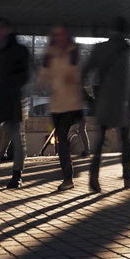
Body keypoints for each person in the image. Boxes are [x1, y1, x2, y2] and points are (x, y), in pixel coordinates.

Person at [82, 17, 130, 192]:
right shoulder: (126, 49)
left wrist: (90, 96)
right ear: (125, 31)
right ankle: (128, 178)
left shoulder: (100, 49)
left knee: (100, 141)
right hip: (121, 101)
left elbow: (84, 73)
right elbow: (127, 79)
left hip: (104, 100)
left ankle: (93, 178)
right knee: (125, 141)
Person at [0, 18, 30, 189]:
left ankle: (17, 175)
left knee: (17, 138)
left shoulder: (19, 51)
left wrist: (5, 81)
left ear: (5, 30)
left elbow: (24, 76)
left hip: (14, 99)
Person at [38, 24, 84, 191]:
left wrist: (69, 77)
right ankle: (68, 177)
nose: (59, 38)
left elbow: (76, 75)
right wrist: (42, 81)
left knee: (63, 139)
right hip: (56, 105)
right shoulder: (50, 54)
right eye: (56, 35)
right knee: (61, 140)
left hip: (71, 103)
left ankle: (68, 178)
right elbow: (43, 77)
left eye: (62, 34)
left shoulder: (73, 52)